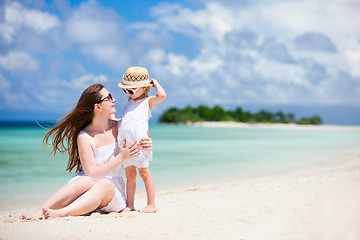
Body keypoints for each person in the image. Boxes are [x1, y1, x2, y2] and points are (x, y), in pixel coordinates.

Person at [22, 83, 153, 219]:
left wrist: (147, 143)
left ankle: (62, 213)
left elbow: (141, 132)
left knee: (104, 184)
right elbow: (92, 173)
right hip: (88, 186)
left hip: (112, 191)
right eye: (108, 97)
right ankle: (41, 210)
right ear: (97, 107)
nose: (114, 100)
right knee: (83, 180)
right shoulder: (84, 136)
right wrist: (120, 157)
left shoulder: (121, 126)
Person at [117, 66, 166, 213]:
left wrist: (155, 84)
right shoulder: (128, 105)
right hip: (126, 146)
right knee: (130, 176)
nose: (128, 93)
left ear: (144, 88)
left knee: (144, 174)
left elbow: (162, 96)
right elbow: (126, 123)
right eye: (125, 90)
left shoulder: (147, 101)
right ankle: (130, 205)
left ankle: (151, 204)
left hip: (140, 144)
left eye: (131, 90)